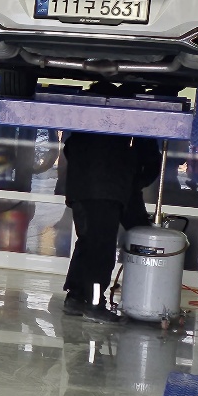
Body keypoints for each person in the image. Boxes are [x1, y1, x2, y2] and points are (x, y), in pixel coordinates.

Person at [61, 108, 160, 321]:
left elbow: (68, 148)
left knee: (88, 242)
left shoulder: (85, 116)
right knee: (101, 250)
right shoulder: (135, 118)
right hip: (108, 189)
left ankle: (75, 297)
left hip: (81, 189)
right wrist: (135, 182)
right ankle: (95, 304)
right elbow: (150, 159)